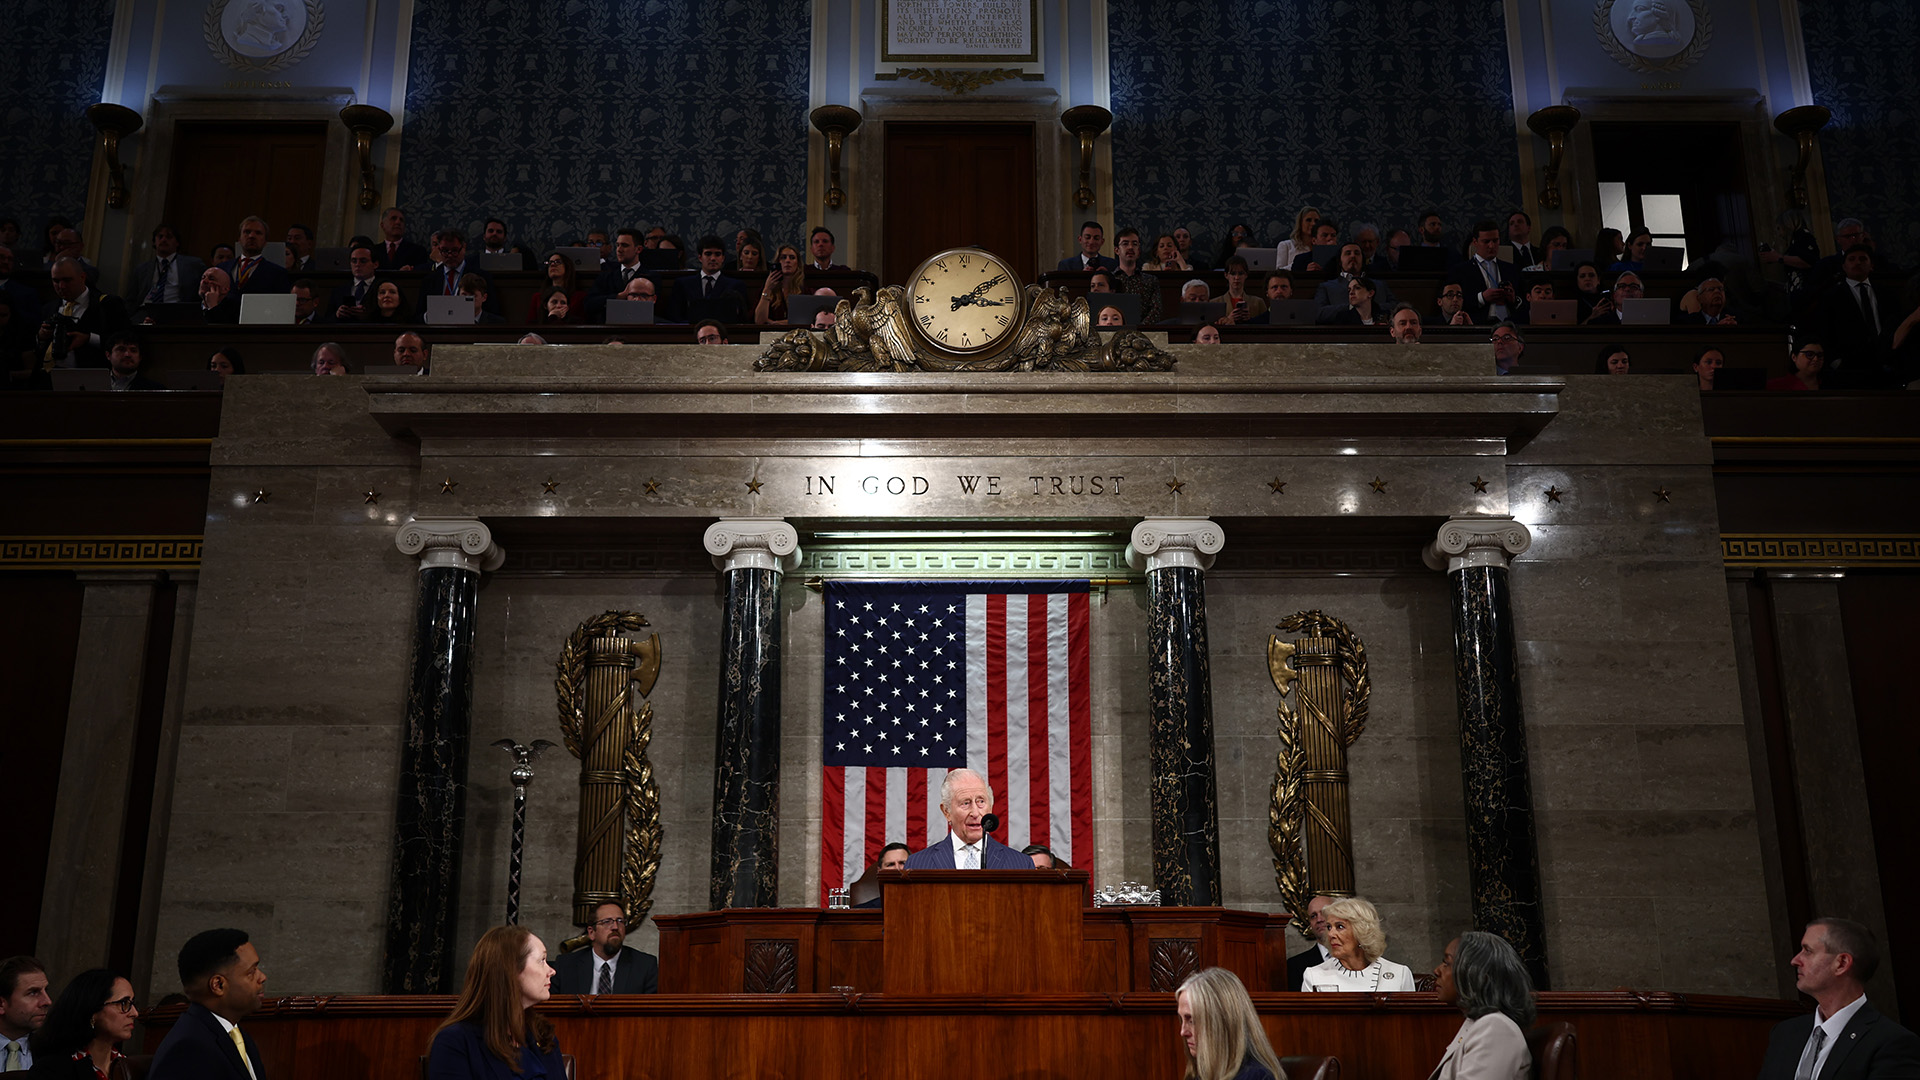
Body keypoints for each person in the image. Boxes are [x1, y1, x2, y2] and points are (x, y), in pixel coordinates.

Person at [1756, 918, 1920, 1080]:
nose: (1795, 960)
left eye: (1808, 951)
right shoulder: (1784, 1033)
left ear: (1841, 963)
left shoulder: (1891, 1042)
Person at [426, 925, 566, 1080]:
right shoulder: (455, 1042)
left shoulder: (542, 1035)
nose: (552, 971)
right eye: (542, 960)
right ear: (510, 970)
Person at [147, 928, 268, 1080]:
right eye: (252, 972)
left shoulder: (238, 1036)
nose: (262, 977)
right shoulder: (189, 1048)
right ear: (218, 985)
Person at [1426, 931, 1535, 1080]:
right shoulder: (1479, 1023)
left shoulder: (1496, 1028)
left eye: (1447, 963)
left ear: (1476, 974)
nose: (1437, 970)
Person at [903, 768, 1034, 869]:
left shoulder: (1021, 864)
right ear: (946, 811)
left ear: (991, 807)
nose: (975, 812)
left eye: (981, 801)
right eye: (965, 803)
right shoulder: (917, 864)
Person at [25, 968, 139, 1079]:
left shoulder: (130, 1068)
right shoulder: (52, 1070)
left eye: (132, 1003)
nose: (135, 1013)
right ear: (93, 1009)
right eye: (124, 1003)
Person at [1175, 967, 1285, 1080]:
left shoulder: (1258, 1076)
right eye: (1182, 1020)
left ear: (1221, 1022)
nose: (1183, 1032)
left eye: (1191, 1021)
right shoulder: (1198, 1075)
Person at [1811, 245, 1895, 387]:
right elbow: (1823, 331)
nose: (1857, 263)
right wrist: (1836, 362)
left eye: (1863, 259)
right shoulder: (1830, 296)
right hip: (1849, 367)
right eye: (1852, 259)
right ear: (1844, 266)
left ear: (1871, 265)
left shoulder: (1887, 294)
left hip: (1886, 363)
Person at [1299, 896, 1415, 991]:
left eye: (1340, 926)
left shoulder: (1400, 974)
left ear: (1361, 931)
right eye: (1329, 927)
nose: (1330, 934)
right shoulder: (1314, 976)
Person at [37, 258, 132, 370]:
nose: (61, 286)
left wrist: (89, 338)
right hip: (49, 376)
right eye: (56, 281)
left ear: (82, 277)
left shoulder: (107, 304)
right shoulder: (49, 308)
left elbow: (127, 339)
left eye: (67, 280)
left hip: (90, 375)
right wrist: (41, 336)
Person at [550, 902, 658, 995]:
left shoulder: (645, 966)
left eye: (620, 921)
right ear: (591, 932)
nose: (615, 927)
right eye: (607, 922)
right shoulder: (566, 966)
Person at [1447, 221, 1520, 324]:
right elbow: (1453, 303)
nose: (1491, 246)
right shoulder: (1460, 270)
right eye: (1486, 241)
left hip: (1510, 324)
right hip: (1478, 325)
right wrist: (1482, 298)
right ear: (1475, 242)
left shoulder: (1511, 269)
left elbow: (1524, 301)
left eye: (1495, 241)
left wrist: (1513, 299)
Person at [668, 236, 746, 324]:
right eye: (708, 254)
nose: (713, 258)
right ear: (700, 257)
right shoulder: (682, 284)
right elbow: (675, 316)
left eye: (717, 254)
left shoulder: (735, 286)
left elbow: (740, 318)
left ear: (723, 258)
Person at [1313, 242, 1397, 318]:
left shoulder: (1380, 285)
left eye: (1357, 253)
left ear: (1362, 260)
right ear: (1340, 261)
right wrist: (1350, 307)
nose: (1353, 256)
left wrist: (1371, 306)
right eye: (1348, 253)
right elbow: (1318, 313)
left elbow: (1396, 307)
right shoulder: (1326, 287)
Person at [131, 224, 204, 310]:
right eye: (160, 237)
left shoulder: (193, 265)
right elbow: (132, 298)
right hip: (146, 311)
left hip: (177, 312)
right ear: (154, 242)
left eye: (169, 237)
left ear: (177, 242)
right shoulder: (142, 269)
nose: (164, 240)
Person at [218, 217, 292, 298]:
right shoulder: (221, 269)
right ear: (239, 238)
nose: (251, 236)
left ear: (265, 241)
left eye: (258, 233)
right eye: (247, 232)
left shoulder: (278, 273)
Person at [1, 957, 51, 1071]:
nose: (48, 1001)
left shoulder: (54, 1052)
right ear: (1, 1004)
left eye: (46, 991)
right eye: (33, 992)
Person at [1110, 228, 1162, 325]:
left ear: (1138, 250)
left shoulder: (1150, 280)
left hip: (1144, 332)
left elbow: (1156, 310)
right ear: (1117, 250)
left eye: (1134, 244)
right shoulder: (1109, 279)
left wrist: (1140, 328)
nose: (1130, 247)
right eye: (1125, 244)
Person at [1285, 895, 1335, 991]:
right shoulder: (1295, 966)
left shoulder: (1357, 959)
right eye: (1313, 916)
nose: (1319, 919)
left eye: (1324, 913)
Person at [755, 244, 807, 324]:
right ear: (778, 262)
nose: (787, 261)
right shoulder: (766, 288)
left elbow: (804, 320)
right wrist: (767, 289)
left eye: (792, 258)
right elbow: (759, 321)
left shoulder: (804, 290)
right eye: (783, 257)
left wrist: (775, 323)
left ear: (798, 263)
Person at [527, 253, 585, 323]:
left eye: (558, 262)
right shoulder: (538, 297)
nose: (552, 264)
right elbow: (530, 324)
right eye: (550, 262)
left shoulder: (579, 296)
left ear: (567, 267)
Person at [1210, 256, 1266, 324]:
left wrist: (1251, 320)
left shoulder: (1258, 302)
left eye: (1240, 273)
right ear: (1226, 275)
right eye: (1233, 273)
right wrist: (1228, 319)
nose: (1236, 278)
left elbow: (1265, 326)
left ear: (1246, 275)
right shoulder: (1215, 303)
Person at [1274, 207, 1320, 273]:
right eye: (1308, 220)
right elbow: (1279, 271)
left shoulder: (1322, 247)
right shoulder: (1286, 245)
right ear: (1300, 223)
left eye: (1316, 221)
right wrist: (1301, 266)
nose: (1313, 224)